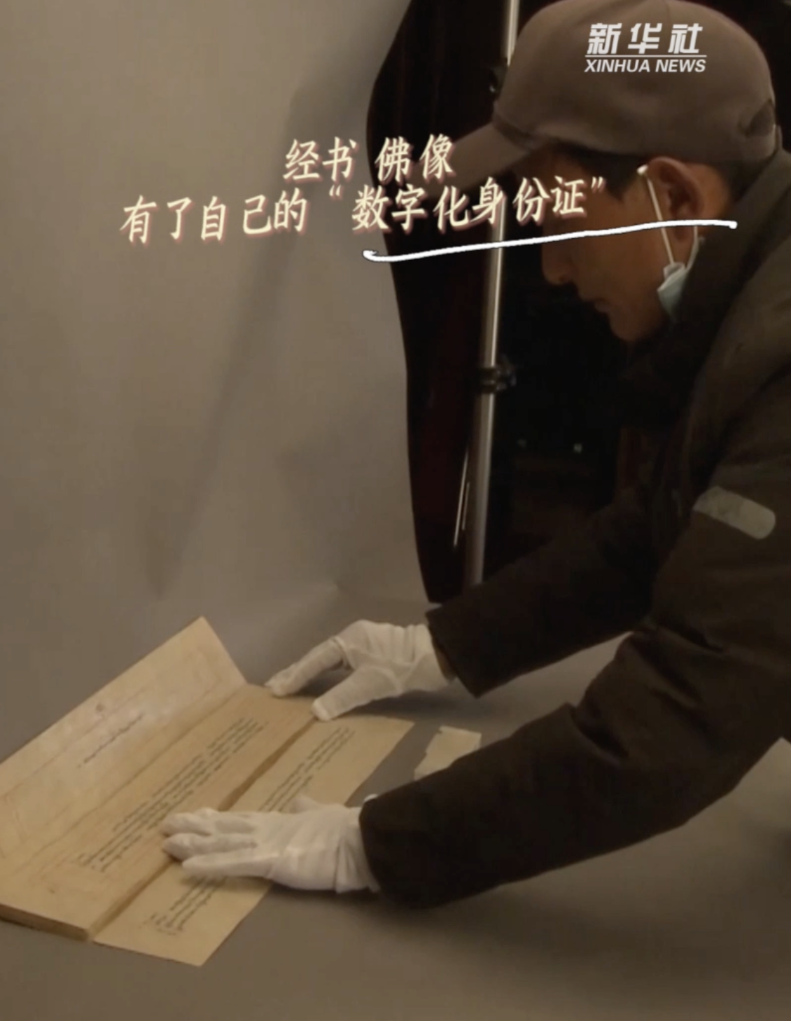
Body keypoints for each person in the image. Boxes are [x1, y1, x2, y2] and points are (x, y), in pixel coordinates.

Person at [161, 0, 791, 910]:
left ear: (675, 198)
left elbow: (677, 721)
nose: (552, 271)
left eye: (561, 227)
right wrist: (444, 645)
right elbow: (661, 525)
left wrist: (375, 842)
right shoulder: (755, 298)